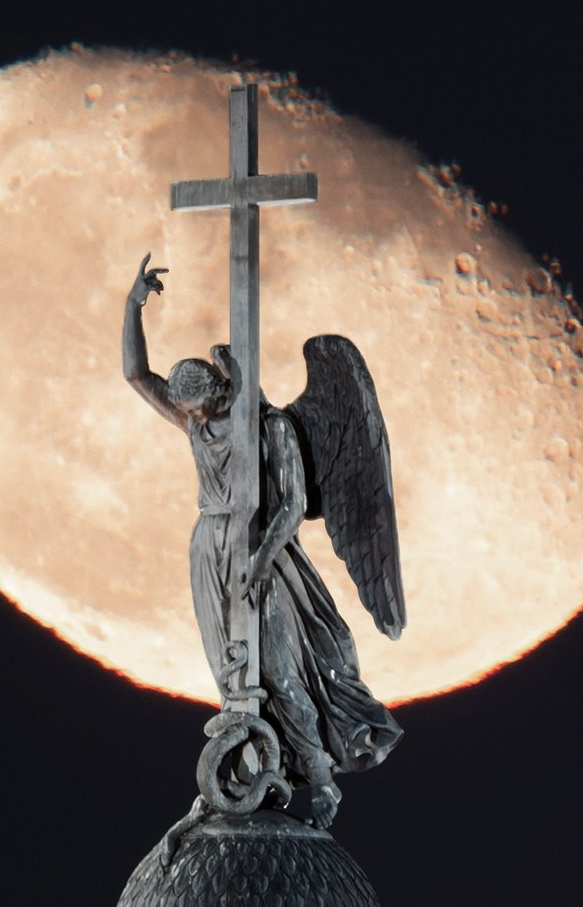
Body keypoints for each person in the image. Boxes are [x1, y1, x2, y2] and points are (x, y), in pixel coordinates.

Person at [123, 255, 401, 828]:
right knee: (233, 675)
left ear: (220, 394)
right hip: (210, 550)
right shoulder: (197, 423)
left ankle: (321, 781)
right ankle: (251, 765)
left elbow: (294, 506)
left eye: (202, 410)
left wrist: (259, 561)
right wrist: (133, 307)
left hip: (265, 553)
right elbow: (136, 376)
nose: (196, 421)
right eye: (190, 414)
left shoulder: (273, 429)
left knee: (281, 670)